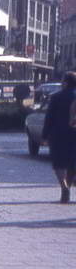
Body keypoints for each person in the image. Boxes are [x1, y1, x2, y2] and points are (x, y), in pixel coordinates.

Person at [43, 71, 76, 202]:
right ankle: (68, 184)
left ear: (66, 82)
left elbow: (49, 118)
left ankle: (64, 187)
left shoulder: (56, 97)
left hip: (59, 134)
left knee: (58, 163)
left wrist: (45, 135)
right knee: (72, 163)